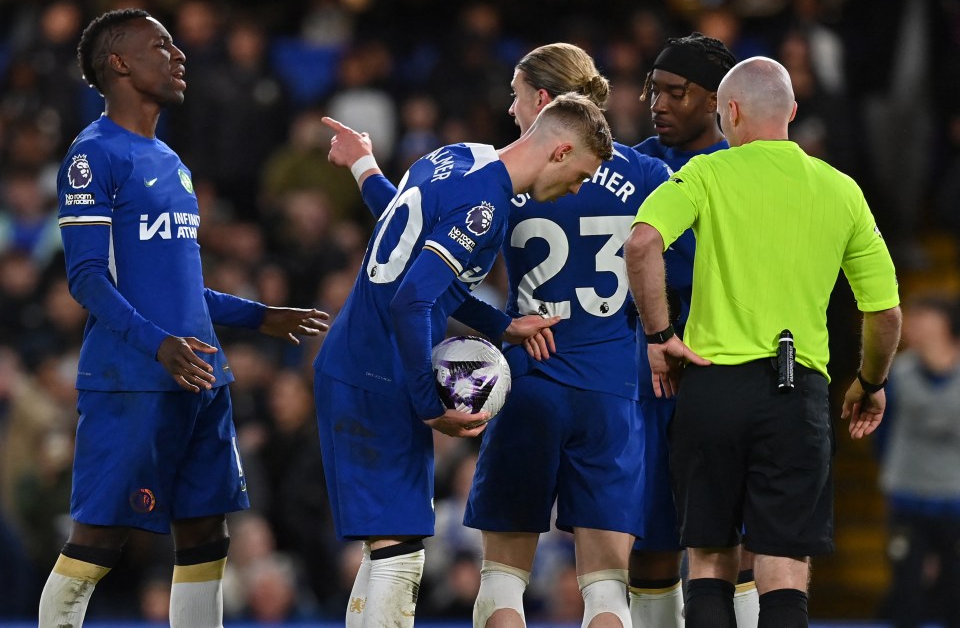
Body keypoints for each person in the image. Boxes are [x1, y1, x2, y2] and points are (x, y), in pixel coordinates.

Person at [323, 42, 671, 628]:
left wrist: (367, 171)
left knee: (494, 579)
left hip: (525, 380)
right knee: (609, 589)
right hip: (610, 389)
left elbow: (415, 231)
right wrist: (665, 337)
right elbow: (678, 267)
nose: (510, 110)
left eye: (515, 97)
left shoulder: (485, 174)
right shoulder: (645, 176)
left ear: (542, 103)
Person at [39, 9, 329, 628]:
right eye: (160, 45)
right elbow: (87, 278)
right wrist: (157, 345)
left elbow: (178, 287)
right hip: (133, 380)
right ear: (117, 62)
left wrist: (259, 317)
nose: (178, 55)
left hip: (200, 376)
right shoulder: (93, 155)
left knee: (204, 537)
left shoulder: (171, 159)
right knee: (98, 540)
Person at [624, 56, 901, 628]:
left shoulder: (705, 175)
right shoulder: (840, 190)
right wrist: (870, 382)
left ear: (729, 111)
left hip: (710, 386)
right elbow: (886, 312)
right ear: (793, 112)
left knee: (708, 561)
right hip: (796, 393)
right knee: (782, 568)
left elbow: (643, 243)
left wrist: (660, 337)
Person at [629, 32, 757, 628]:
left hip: (726, 366)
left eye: (675, 92)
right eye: (653, 90)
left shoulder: (751, 169)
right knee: (652, 535)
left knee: (736, 537)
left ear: (716, 101)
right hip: (645, 374)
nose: (658, 103)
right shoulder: (623, 163)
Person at [877, 293, 960, 628]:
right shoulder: (896, 372)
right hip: (907, 495)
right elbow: (880, 433)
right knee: (906, 591)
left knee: (955, 592)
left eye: (924, 317)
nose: (914, 325)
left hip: (955, 499)